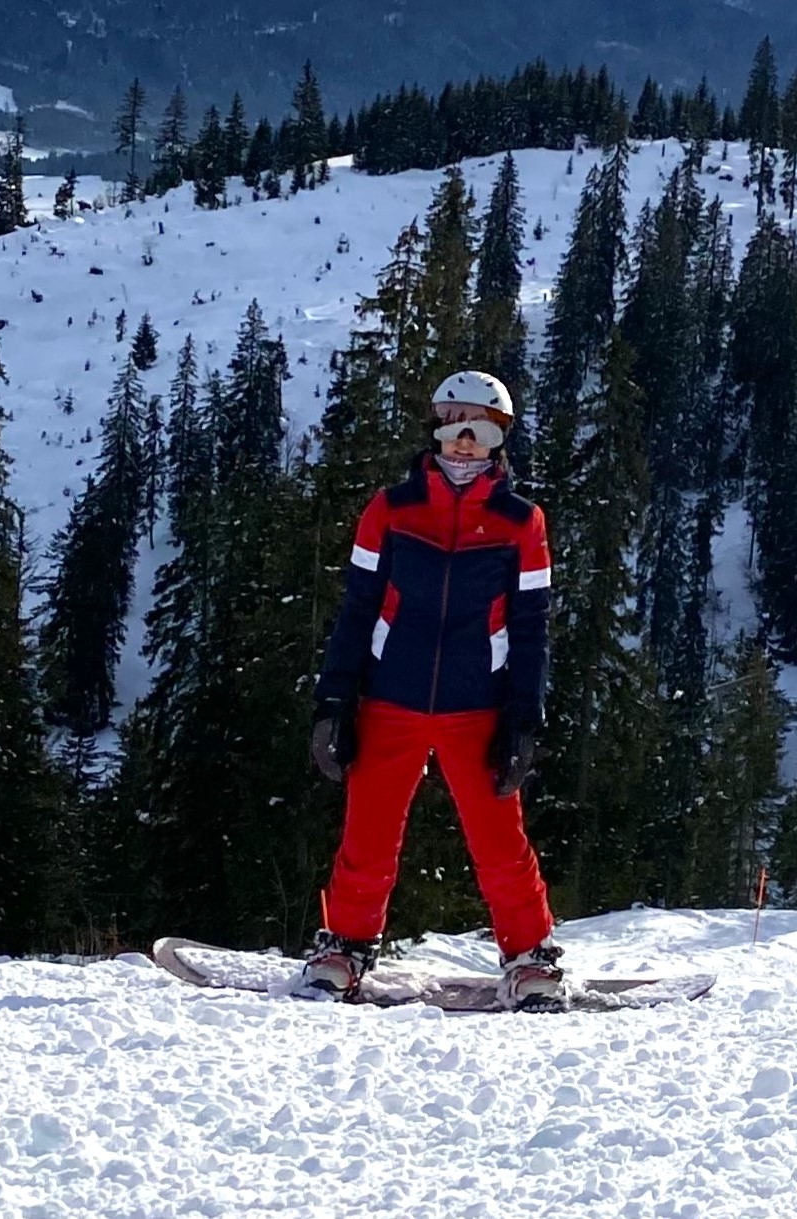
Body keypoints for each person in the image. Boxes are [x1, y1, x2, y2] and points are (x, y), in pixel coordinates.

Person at [303, 370, 566, 1011]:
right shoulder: (391, 510)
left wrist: (522, 721)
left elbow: (531, 627)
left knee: (499, 841)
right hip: (390, 698)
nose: (465, 443)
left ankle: (529, 957)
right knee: (368, 833)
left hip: (477, 706)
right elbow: (357, 609)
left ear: (500, 440)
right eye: (454, 426)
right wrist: (335, 703)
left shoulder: (520, 523)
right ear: (436, 431)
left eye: (481, 430)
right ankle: (344, 947)